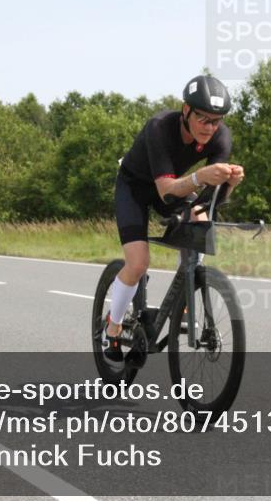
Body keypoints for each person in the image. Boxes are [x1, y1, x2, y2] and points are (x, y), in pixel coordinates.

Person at [103, 75, 245, 365]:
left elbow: (211, 201)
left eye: (216, 121)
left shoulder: (221, 137)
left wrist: (229, 185)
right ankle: (112, 326)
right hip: (135, 188)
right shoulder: (159, 128)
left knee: (201, 220)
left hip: (173, 186)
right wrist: (199, 177)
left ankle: (182, 299)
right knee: (138, 263)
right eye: (203, 118)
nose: (209, 127)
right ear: (185, 111)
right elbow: (166, 193)